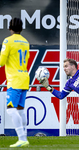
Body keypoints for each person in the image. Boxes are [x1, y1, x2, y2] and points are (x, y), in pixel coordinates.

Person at [0, 18, 30, 147]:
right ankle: (25, 137)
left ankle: (22, 138)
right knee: (20, 109)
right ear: (22, 29)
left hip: (14, 79)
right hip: (24, 77)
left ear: (9, 28)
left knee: (10, 110)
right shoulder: (25, 42)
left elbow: (1, 62)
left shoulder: (8, 40)